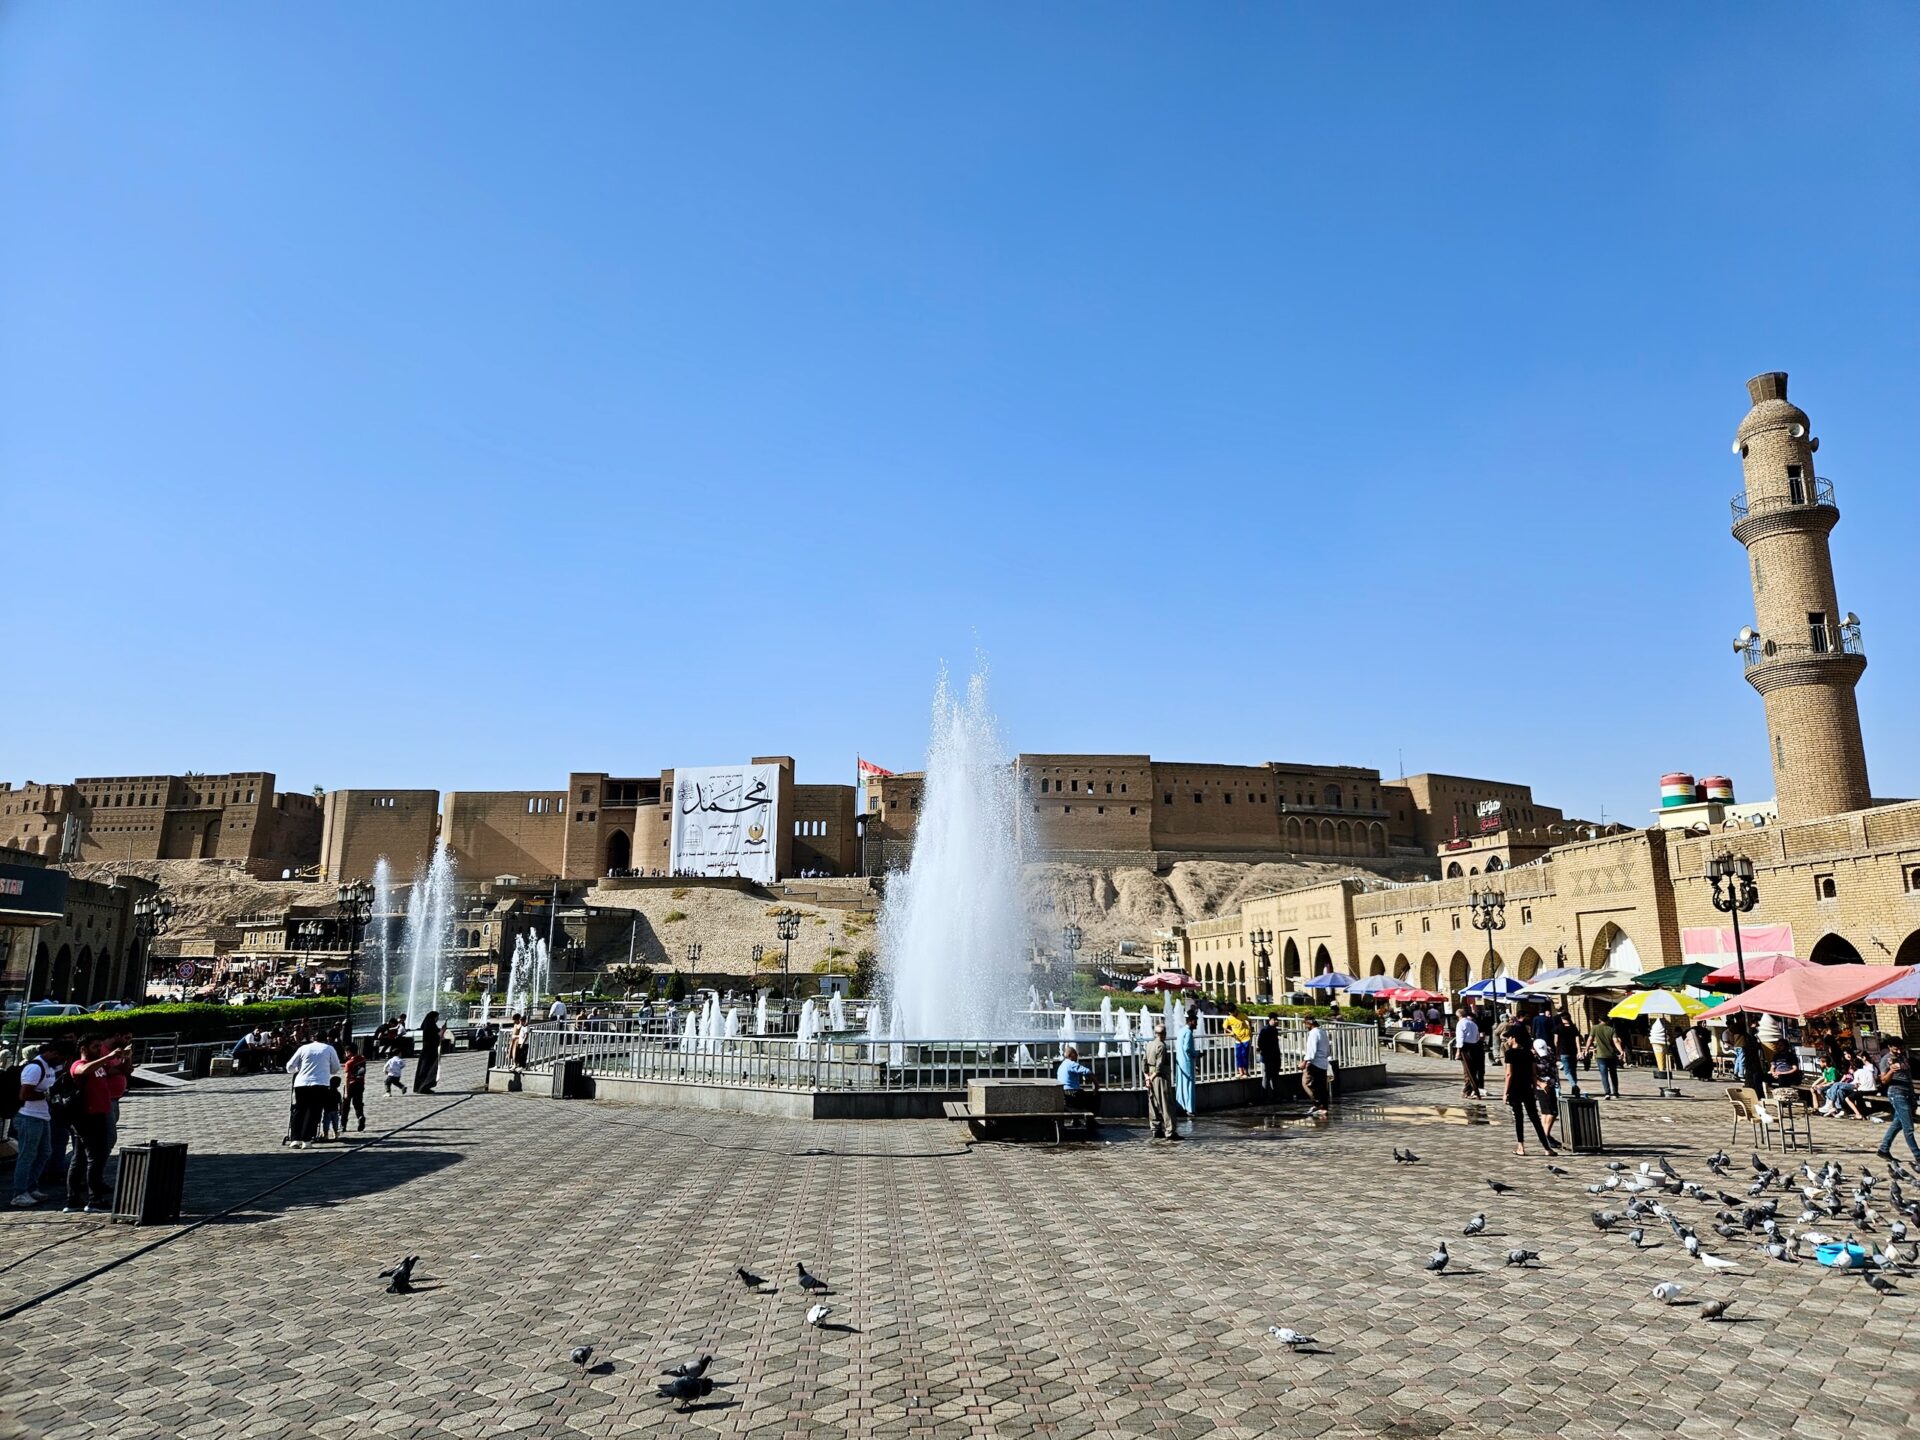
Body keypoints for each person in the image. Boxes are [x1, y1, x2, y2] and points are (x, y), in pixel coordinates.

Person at [64, 1036, 131, 1212]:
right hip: (87, 1117)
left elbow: (122, 1070)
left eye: (100, 1046)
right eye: (95, 1046)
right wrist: (107, 1057)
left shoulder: (99, 1065)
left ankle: (74, 1199)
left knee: (81, 1158)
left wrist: (125, 1057)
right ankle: (93, 1199)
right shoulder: (78, 1064)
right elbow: (82, 1070)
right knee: (94, 1158)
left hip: (99, 1114)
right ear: (83, 1048)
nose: (98, 1050)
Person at [10, 1040, 65, 1207]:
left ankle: (31, 1187)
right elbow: (24, 1095)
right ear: (53, 1053)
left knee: (44, 1152)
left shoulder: (50, 1068)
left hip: (42, 1116)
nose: (61, 1062)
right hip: (28, 1117)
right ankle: (19, 1193)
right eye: (60, 1057)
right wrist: (47, 1095)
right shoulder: (35, 1068)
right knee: (27, 1155)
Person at [1500, 1017, 1559, 1157]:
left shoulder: (1510, 1054)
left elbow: (1509, 1074)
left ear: (1514, 1038)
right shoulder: (1529, 1053)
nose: (1508, 1040)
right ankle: (1547, 1148)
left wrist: (1505, 1093)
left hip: (1515, 1088)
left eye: (1509, 1038)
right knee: (1535, 1118)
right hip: (1527, 1088)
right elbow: (1533, 1074)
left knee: (1518, 1118)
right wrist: (1533, 1089)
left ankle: (1521, 1147)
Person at [284, 1032, 341, 1149]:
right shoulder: (329, 1049)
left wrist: (298, 1069)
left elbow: (289, 1066)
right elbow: (335, 1068)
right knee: (313, 1111)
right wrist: (326, 1070)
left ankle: (295, 1139)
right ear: (326, 1039)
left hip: (301, 1083)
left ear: (312, 1038)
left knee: (299, 1110)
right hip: (320, 1083)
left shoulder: (303, 1048)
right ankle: (307, 1140)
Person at [1875, 1041, 1918, 1163]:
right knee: (1908, 1127)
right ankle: (1918, 1155)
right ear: (1889, 1047)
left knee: (1897, 1123)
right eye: (1895, 1049)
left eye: (1901, 1049)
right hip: (1896, 1094)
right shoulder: (1885, 1060)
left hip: (1908, 1094)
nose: (1899, 1052)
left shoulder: (1903, 1057)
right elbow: (1883, 1080)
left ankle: (1883, 1149)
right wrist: (1891, 1071)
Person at [1145, 1021, 1178, 1140]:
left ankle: (1155, 1129)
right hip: (1159, 1078)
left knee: (1153, 1104)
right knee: (1166, 1104)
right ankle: (1170, 1132)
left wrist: (1147, 1078)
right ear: (1164, 1034)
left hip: (1150, 1076)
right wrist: (1153, 1077)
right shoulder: (1162, 1046)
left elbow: (1144, 1062)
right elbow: (1159, 1067)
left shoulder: (1149, 1045)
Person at [1056, 1044, 1096, 1126]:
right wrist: (1096, 1085)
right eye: (1075, 1054)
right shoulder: (1071, 1064)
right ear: (1071, 1055)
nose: (1077, 1056)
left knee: (1080, 1095)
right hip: (1072, 1093)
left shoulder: (1062, 1065)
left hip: (1063, 1093)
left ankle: (1076, 1120)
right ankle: (1090, 1121)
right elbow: (1088, 1072)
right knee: (1093, 1097)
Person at [1587, 1016, 1625, 1099]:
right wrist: (1621, 1051)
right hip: (1611, 1055)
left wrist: (1586, 1049)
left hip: (1601, 1055)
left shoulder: (1595, 1028)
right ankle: (1615, 1092)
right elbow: (1616, 1041)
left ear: (1599, 1019)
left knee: (1604, 1075)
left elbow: (1590, 1039)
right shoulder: (1611, 1029)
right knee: (1613, 1074)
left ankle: (1607, 1092)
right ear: (1607, 1020)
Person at [1300, 1015, 1331, 1115]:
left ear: (1309, 1023)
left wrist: (1304, 1062)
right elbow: (1327, 1050)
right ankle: (1323, 1107)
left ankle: (1318, 1104)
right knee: (1321, 1086)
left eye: (1305, 1024)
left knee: (1306, 1083)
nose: (1305, 1027)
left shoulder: (1313, 1033)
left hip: (1314, 1063)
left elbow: (1311, 1051)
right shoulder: (1322, 1032)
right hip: (1323, 1063)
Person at [1455, 1008, 1484, 1099]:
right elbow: (1477, 1037)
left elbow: (1460, 1038)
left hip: (1465, 1047)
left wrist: (1458, 1051)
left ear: (1458, 1016)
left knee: (1469, 1070)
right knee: (1469, 1070)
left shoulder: (1461, 1023)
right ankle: (1467, 1090)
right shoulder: (1473, 1024)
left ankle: (1476, 1091)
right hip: (1474, 1046)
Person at [1174, 1014, 1197, 1125]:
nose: (1196, 1024)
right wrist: (1197, 1054)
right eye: (1195, 1022)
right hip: (1187, 1062)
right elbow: (1187, 1048)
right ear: (1191, 1021)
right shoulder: (1188, 1033)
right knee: (1189, 1085)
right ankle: (1190, 1109)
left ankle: (1180, 1106)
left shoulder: (1181, 1031)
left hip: (1180, 1061)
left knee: (1181, 1084)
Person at [413, 1011, 444, 1095]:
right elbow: (435, 1037)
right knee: (427, 1069)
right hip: (429, 1051)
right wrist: (441, 1033)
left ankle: (422, 1086)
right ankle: (424, 1086)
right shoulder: (431, 1027)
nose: (437, 1019)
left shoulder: (429, 1025)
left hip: (428, 1050)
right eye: (437, 1017)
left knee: (424, 1068)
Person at [340, 1043, 367, 1131]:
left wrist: (346, 1092)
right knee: (358, 1104)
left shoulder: (349, 1063)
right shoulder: (362, 1059)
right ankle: (360, 1116)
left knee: (345, 1106)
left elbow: (347, 1077)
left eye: (346, 1052)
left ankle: (343, 1125)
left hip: (351, 1085)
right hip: (360, 1084)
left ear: (349, 1052)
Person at [1255, 1016, 1282, 1093]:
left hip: (1274, 1056)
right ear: (1270, 1020)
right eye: (1275, 1019)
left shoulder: (1274, 1030)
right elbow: (1260, 1043)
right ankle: (1265, 1097)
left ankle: (1275, 1095)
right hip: (1267, 1057)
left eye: (1277, 1019)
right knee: (1267, 1077)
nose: (1276, 1021)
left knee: (1274, 1076)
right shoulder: (1265, 1030)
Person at [1224, 1009, 1253, 1079]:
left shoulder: (1241, 1015)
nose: (1233, 1013)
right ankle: (1240, 1072)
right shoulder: (1229, 1018)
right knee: (1238, 1056)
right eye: (1231, 1012)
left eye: (1234, 1011)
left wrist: (1250, 1029)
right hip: (1238, 1039)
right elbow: (1224, 1026)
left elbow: (1249, 1020)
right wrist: (1230, 1031)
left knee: (1244, 1055)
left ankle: (1246, 1072)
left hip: (1245, 1038)